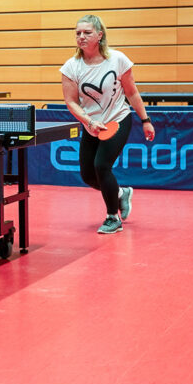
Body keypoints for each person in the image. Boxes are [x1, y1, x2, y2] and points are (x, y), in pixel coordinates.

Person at [60, 14, 156, 235]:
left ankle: (113, 217)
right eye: (78, 33)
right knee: (87, 175)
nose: (81, 37)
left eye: (87, 32)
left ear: (99, 35)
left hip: (118, 119)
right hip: (91, 124)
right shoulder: (71, 67)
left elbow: (131, 92)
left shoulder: (118, 59)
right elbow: (71, 101)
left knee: (102, 165)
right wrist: (89, 122)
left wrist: (145, 120)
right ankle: (121, 194)